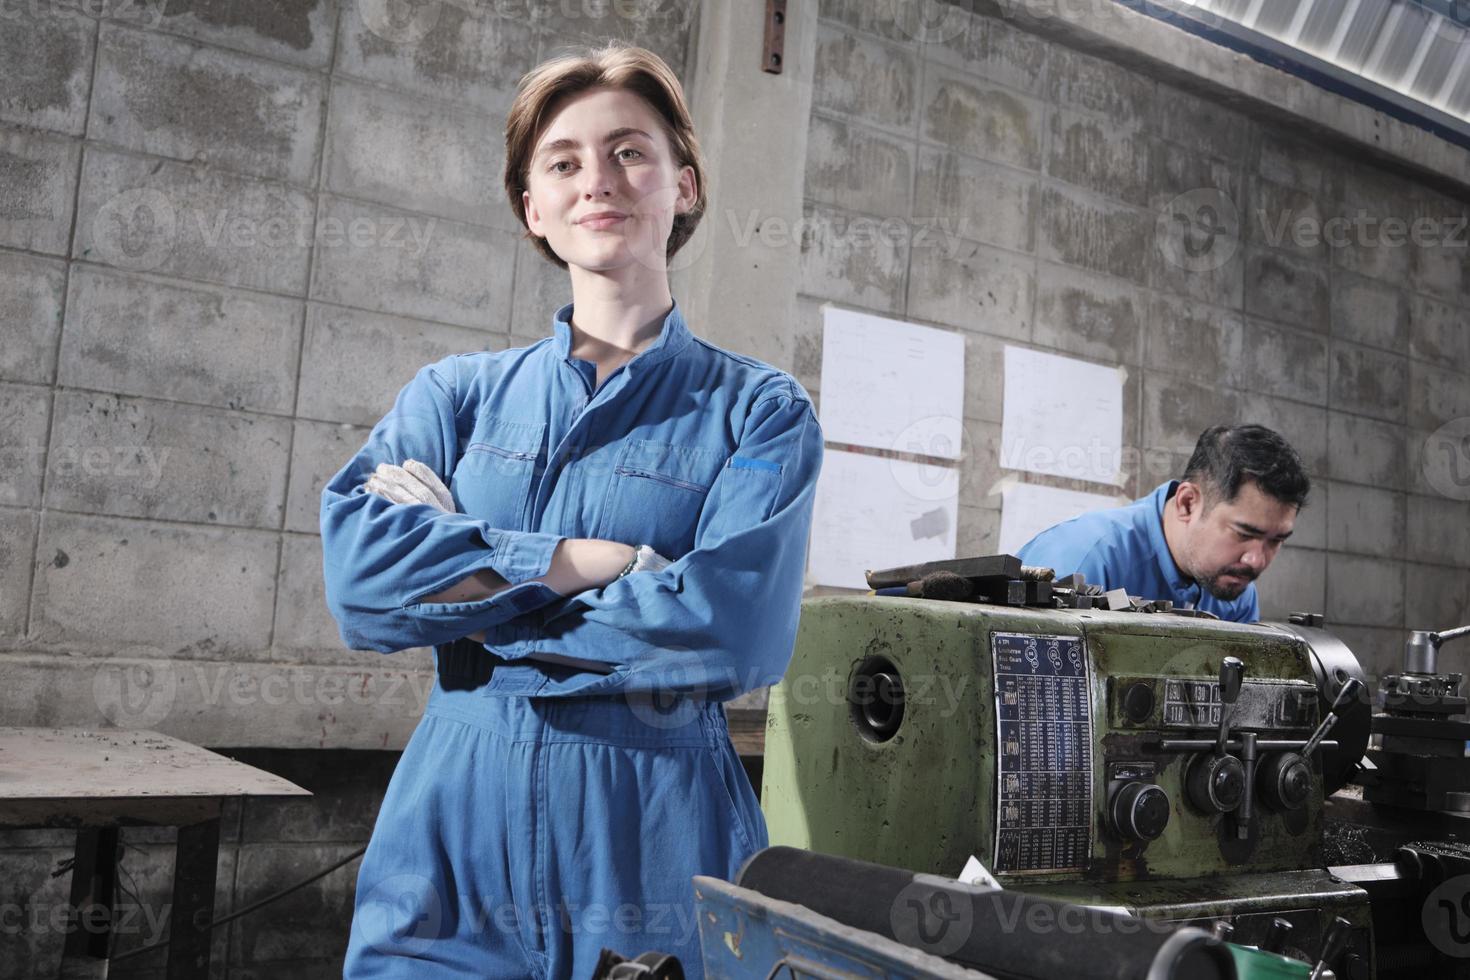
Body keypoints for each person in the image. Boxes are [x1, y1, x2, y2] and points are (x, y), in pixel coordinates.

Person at [321, 44, 823, 978]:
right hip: (451, 834)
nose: (598, 180)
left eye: (630, 151)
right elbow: (361, 584)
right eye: (562, 162)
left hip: (655, 832)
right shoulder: (455, 397)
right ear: (533, 208)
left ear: (685, 183)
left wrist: (473, 600)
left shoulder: (760, 411)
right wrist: (599, 562)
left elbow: (732, 629)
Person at [1015, 425, 1309, 623]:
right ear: (1187, 504)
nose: (1256, 560)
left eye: (1276, 540)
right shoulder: (1085, 560)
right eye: (1244, 533)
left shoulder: (1235, 587)